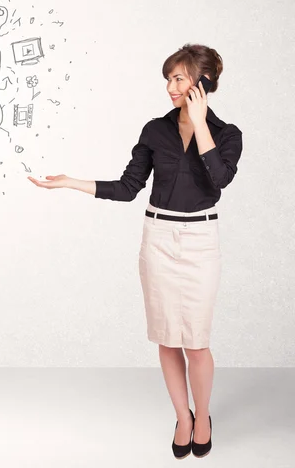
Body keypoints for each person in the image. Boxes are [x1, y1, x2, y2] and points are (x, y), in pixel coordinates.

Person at [28, 43, 243, 459]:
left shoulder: (227, 134)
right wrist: (73, 182)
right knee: (166, 338)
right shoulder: (154, 130)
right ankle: (182, 416)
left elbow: (220, 180)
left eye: (178, 78)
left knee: (196, 340)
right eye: (168, 78)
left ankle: (203, 416)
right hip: (158, 239)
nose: (169, 86)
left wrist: (200, 125)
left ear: (202, 83)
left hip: (201, 242)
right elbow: (128, 189)